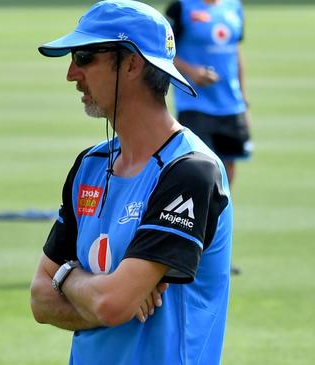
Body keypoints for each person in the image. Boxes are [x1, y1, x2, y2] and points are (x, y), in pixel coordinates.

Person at [29, 1, 233, 364]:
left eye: (85, 56)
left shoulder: (190, 171)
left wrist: (67, 278)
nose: (72, 73)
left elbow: (111, 304)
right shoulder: (89, 166)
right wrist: (81, 283)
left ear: (133, 63)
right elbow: (40, 299)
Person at [165, 0, 251, 187]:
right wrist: (192, 72)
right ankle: (201, 215)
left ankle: (220, 214)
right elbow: (164, 52)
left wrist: (243, 102)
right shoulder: (181, 7)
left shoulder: (234, 6)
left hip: (231, 104)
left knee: (228, 166)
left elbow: (236, 52)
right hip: (194, 104)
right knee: (198, 168)